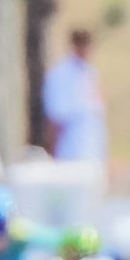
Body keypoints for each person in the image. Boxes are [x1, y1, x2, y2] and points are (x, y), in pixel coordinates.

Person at [42, 27, 109, 164]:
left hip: (93, 153)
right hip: (70, 154)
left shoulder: (90, 73)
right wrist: (52, 154)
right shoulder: (61, 74)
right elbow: (56, 119)